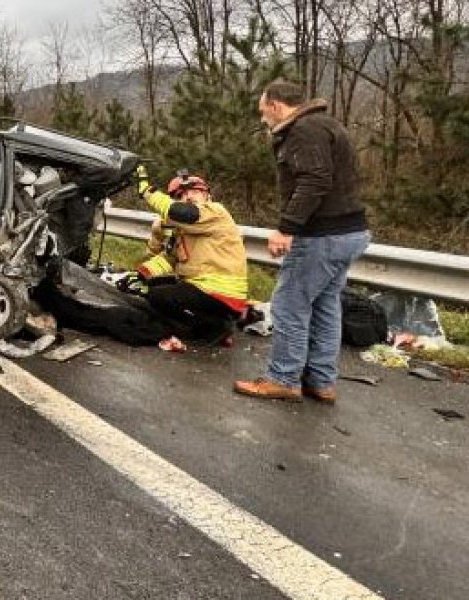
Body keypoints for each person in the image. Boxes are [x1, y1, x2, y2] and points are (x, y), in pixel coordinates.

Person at [235, 80, 370, 403]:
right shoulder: (328, 125)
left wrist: (286, 228)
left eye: (262, 111)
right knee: (325, 306)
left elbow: (314, 180)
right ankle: (321, 382)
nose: (262, 119)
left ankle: (283, 378)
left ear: (276, 106)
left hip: (322, 235)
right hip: (350, 231)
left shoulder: (303, 131)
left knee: (289, 305)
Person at [134, 166, 249, 347]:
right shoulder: (184, 231)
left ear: (207, 196)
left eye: (195, 191)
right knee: (153, 287)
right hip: (207, 290)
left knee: (159, 296)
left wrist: (149, 193)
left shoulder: (215, 212)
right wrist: (141, 273)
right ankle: (212, 323)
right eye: (180, 195)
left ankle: (213, 327)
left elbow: (183, 213)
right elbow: (170, 258)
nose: (188, 196)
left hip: (220, 291)